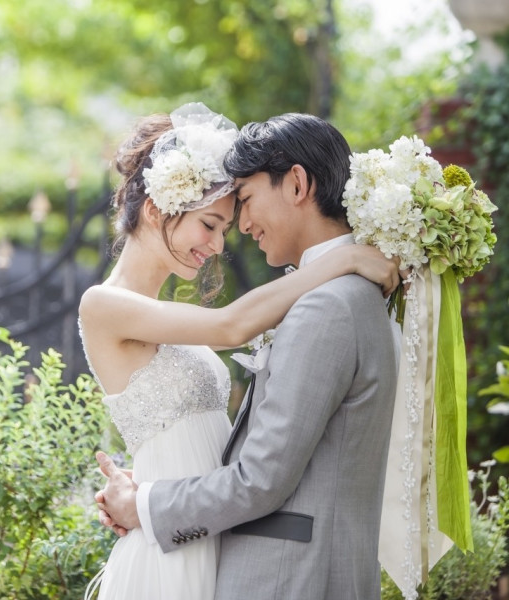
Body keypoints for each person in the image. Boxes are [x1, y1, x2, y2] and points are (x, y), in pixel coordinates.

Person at [93, 112, 399, 600]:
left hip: (201, 532)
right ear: (156, 210)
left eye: (237, 215)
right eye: (210, 224)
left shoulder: (330, 304)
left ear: (297, 184)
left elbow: (256, 468)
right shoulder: (104, 304)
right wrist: (344, 257)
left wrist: (150, 494)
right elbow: (231, 325)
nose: (220, 244)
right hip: (181, 541)